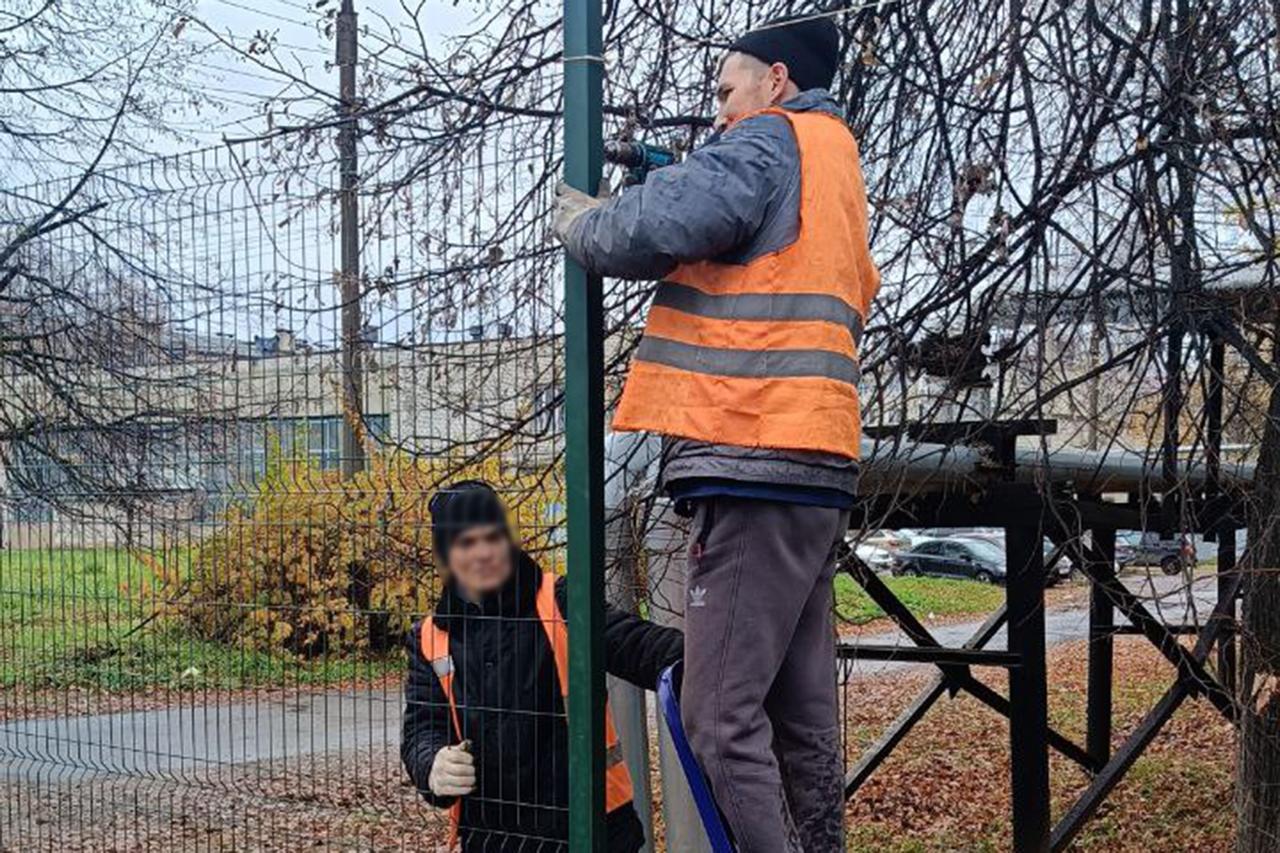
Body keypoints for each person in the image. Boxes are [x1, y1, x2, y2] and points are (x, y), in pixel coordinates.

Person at [553, 14, 879, 853]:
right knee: (800, 714)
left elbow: (658, 227)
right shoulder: (831, 161)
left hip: (753, 457)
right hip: (813, 465)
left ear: (775, 80)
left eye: (727, 91)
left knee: (715, 714)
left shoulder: (770, 138)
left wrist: (585, 224)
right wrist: (682, 174)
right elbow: (741, 229)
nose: (722, 110)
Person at [401, 480, 682, 853]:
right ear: (446, 555)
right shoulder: (431, 636)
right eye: (467, 543)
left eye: (493, 537)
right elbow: (423, 727)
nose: (484, 553)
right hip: (492, 840)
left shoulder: (559, 602)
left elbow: (638, 645)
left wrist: (716, 663)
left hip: (589, 833)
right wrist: (431, 765)